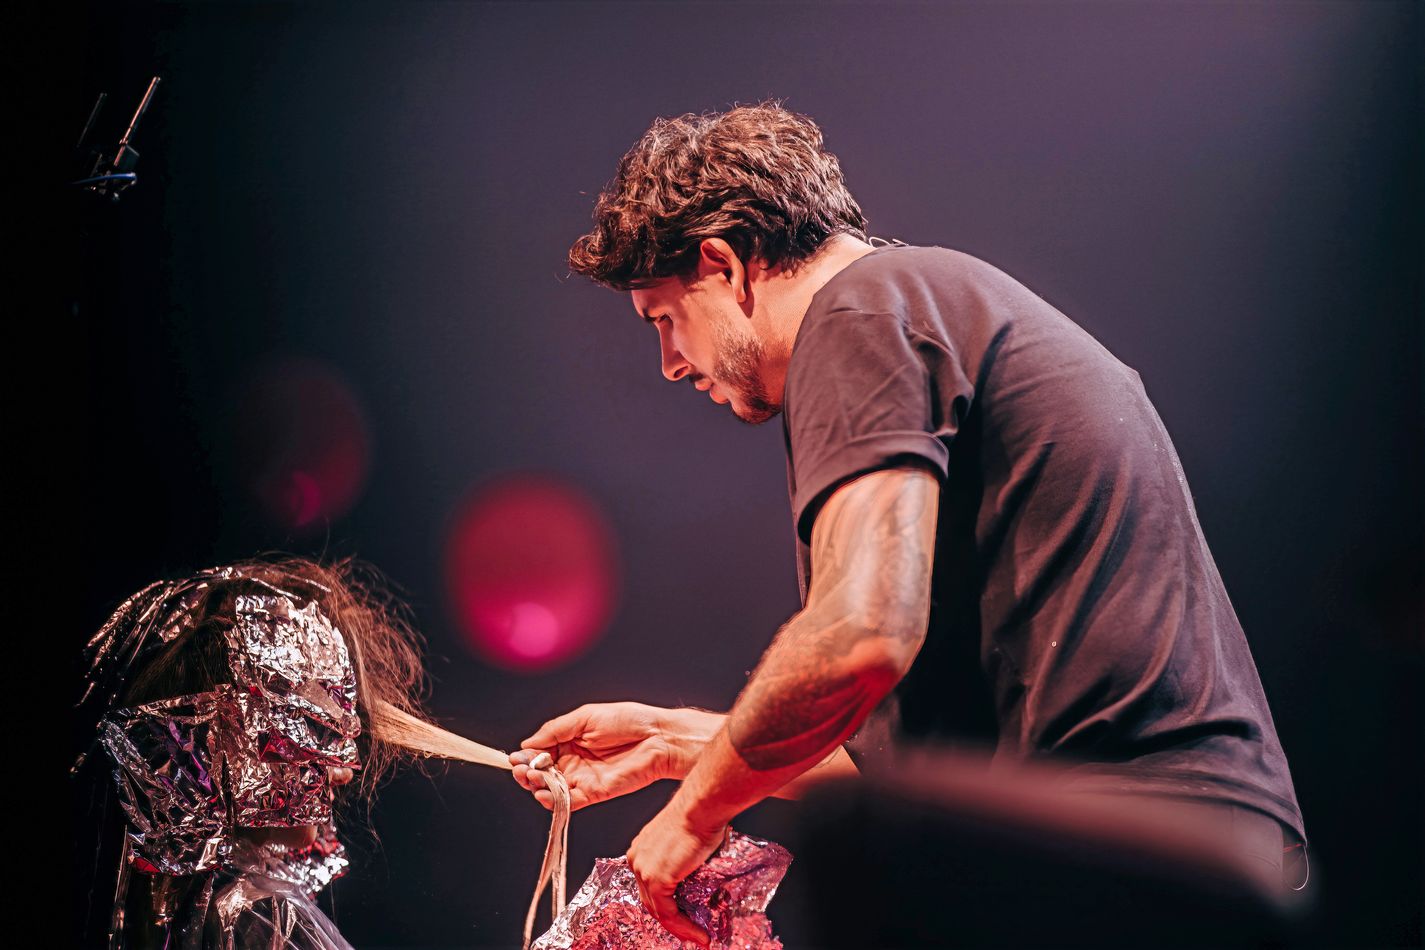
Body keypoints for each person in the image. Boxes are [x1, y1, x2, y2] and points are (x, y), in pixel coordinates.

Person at [511, 102, 1306, 945]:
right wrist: (675, 742)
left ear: (725, 265)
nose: (670, 363)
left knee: (859, 853)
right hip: (1185, 853)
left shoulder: (857, 313)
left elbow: (857, 640)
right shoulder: (927, 304)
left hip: (1135, 855)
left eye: (664, 319)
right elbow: (904, 759)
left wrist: (693, 813)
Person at [74, 556, 517, 949]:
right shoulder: (252, 919)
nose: (345, 771)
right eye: (313, 732)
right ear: (231, 739)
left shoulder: (180, 914)